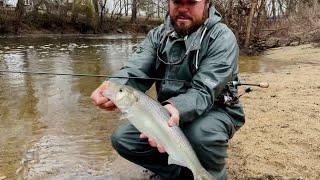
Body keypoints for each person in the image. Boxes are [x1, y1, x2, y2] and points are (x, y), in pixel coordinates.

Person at [91, 0, 245, 179]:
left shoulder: (222, 38)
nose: (183, 9)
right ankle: (181, 173)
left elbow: (204, 90)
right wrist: (113, 86)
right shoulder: (157, 35)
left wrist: (175, 108)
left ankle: (211, 174)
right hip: (167, 114)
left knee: (200, 135)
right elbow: (136, 69)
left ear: (207, 3)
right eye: (177, 2)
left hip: (216, 110)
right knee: (123, 139)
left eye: (192, 2)